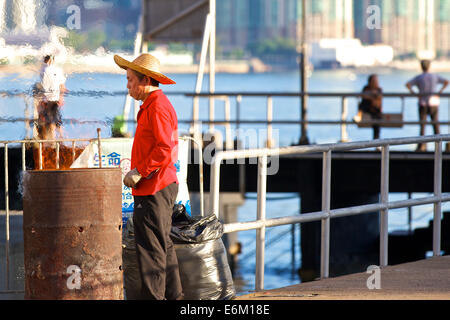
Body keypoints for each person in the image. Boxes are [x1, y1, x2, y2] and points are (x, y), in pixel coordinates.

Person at [114, 53, 183, 300]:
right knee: (162, 244)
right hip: (159, 185)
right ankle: (175, 297)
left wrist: (140, 172)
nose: (128, 85)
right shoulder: (154, 105)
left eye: (130, 79)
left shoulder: (157, 107)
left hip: (154, 187)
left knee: (150, 249)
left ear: (145, 80)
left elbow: (165, 148)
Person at [406, 59, 449, 151]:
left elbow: (408, 85)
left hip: (423, 103)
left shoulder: (419, 77)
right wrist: (439, 92)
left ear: (421, 67)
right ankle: (438, 147)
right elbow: (446, 82)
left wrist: (416, 94)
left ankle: (421, 146)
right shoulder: (434, 76)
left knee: (422, 125)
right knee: (436, 125)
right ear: (429, 66)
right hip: (434, 103)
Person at [36, 55, 67, 140]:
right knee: (55, 122)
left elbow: (61, 85)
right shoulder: (56, 70)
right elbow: (62, 85)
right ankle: (59, 139)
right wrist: (61, 97)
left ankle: (54, 140)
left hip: (48, 99)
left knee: (51, 122)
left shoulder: (44, 70)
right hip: (53, 99)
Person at [358, 74, 383, 140]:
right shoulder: (366, 88)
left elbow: (378, 99)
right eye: (374, 80)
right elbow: (364, 96)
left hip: (375, 111)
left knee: (377, 120)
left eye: (376, 80)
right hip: (366, 109)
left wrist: (371, 96)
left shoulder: (379, 89)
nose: (375, 82)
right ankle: (376, 141)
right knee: (364, 104)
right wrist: (373, 95)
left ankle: (376, 141)